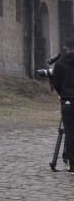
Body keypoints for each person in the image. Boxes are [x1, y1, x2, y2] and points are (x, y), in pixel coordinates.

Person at [52, 36, 74, 172]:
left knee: (70, 133)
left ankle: (72, 164)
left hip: (67, 101)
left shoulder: (59, 63)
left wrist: (63, 94)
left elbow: (56, 84)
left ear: (66, 48)